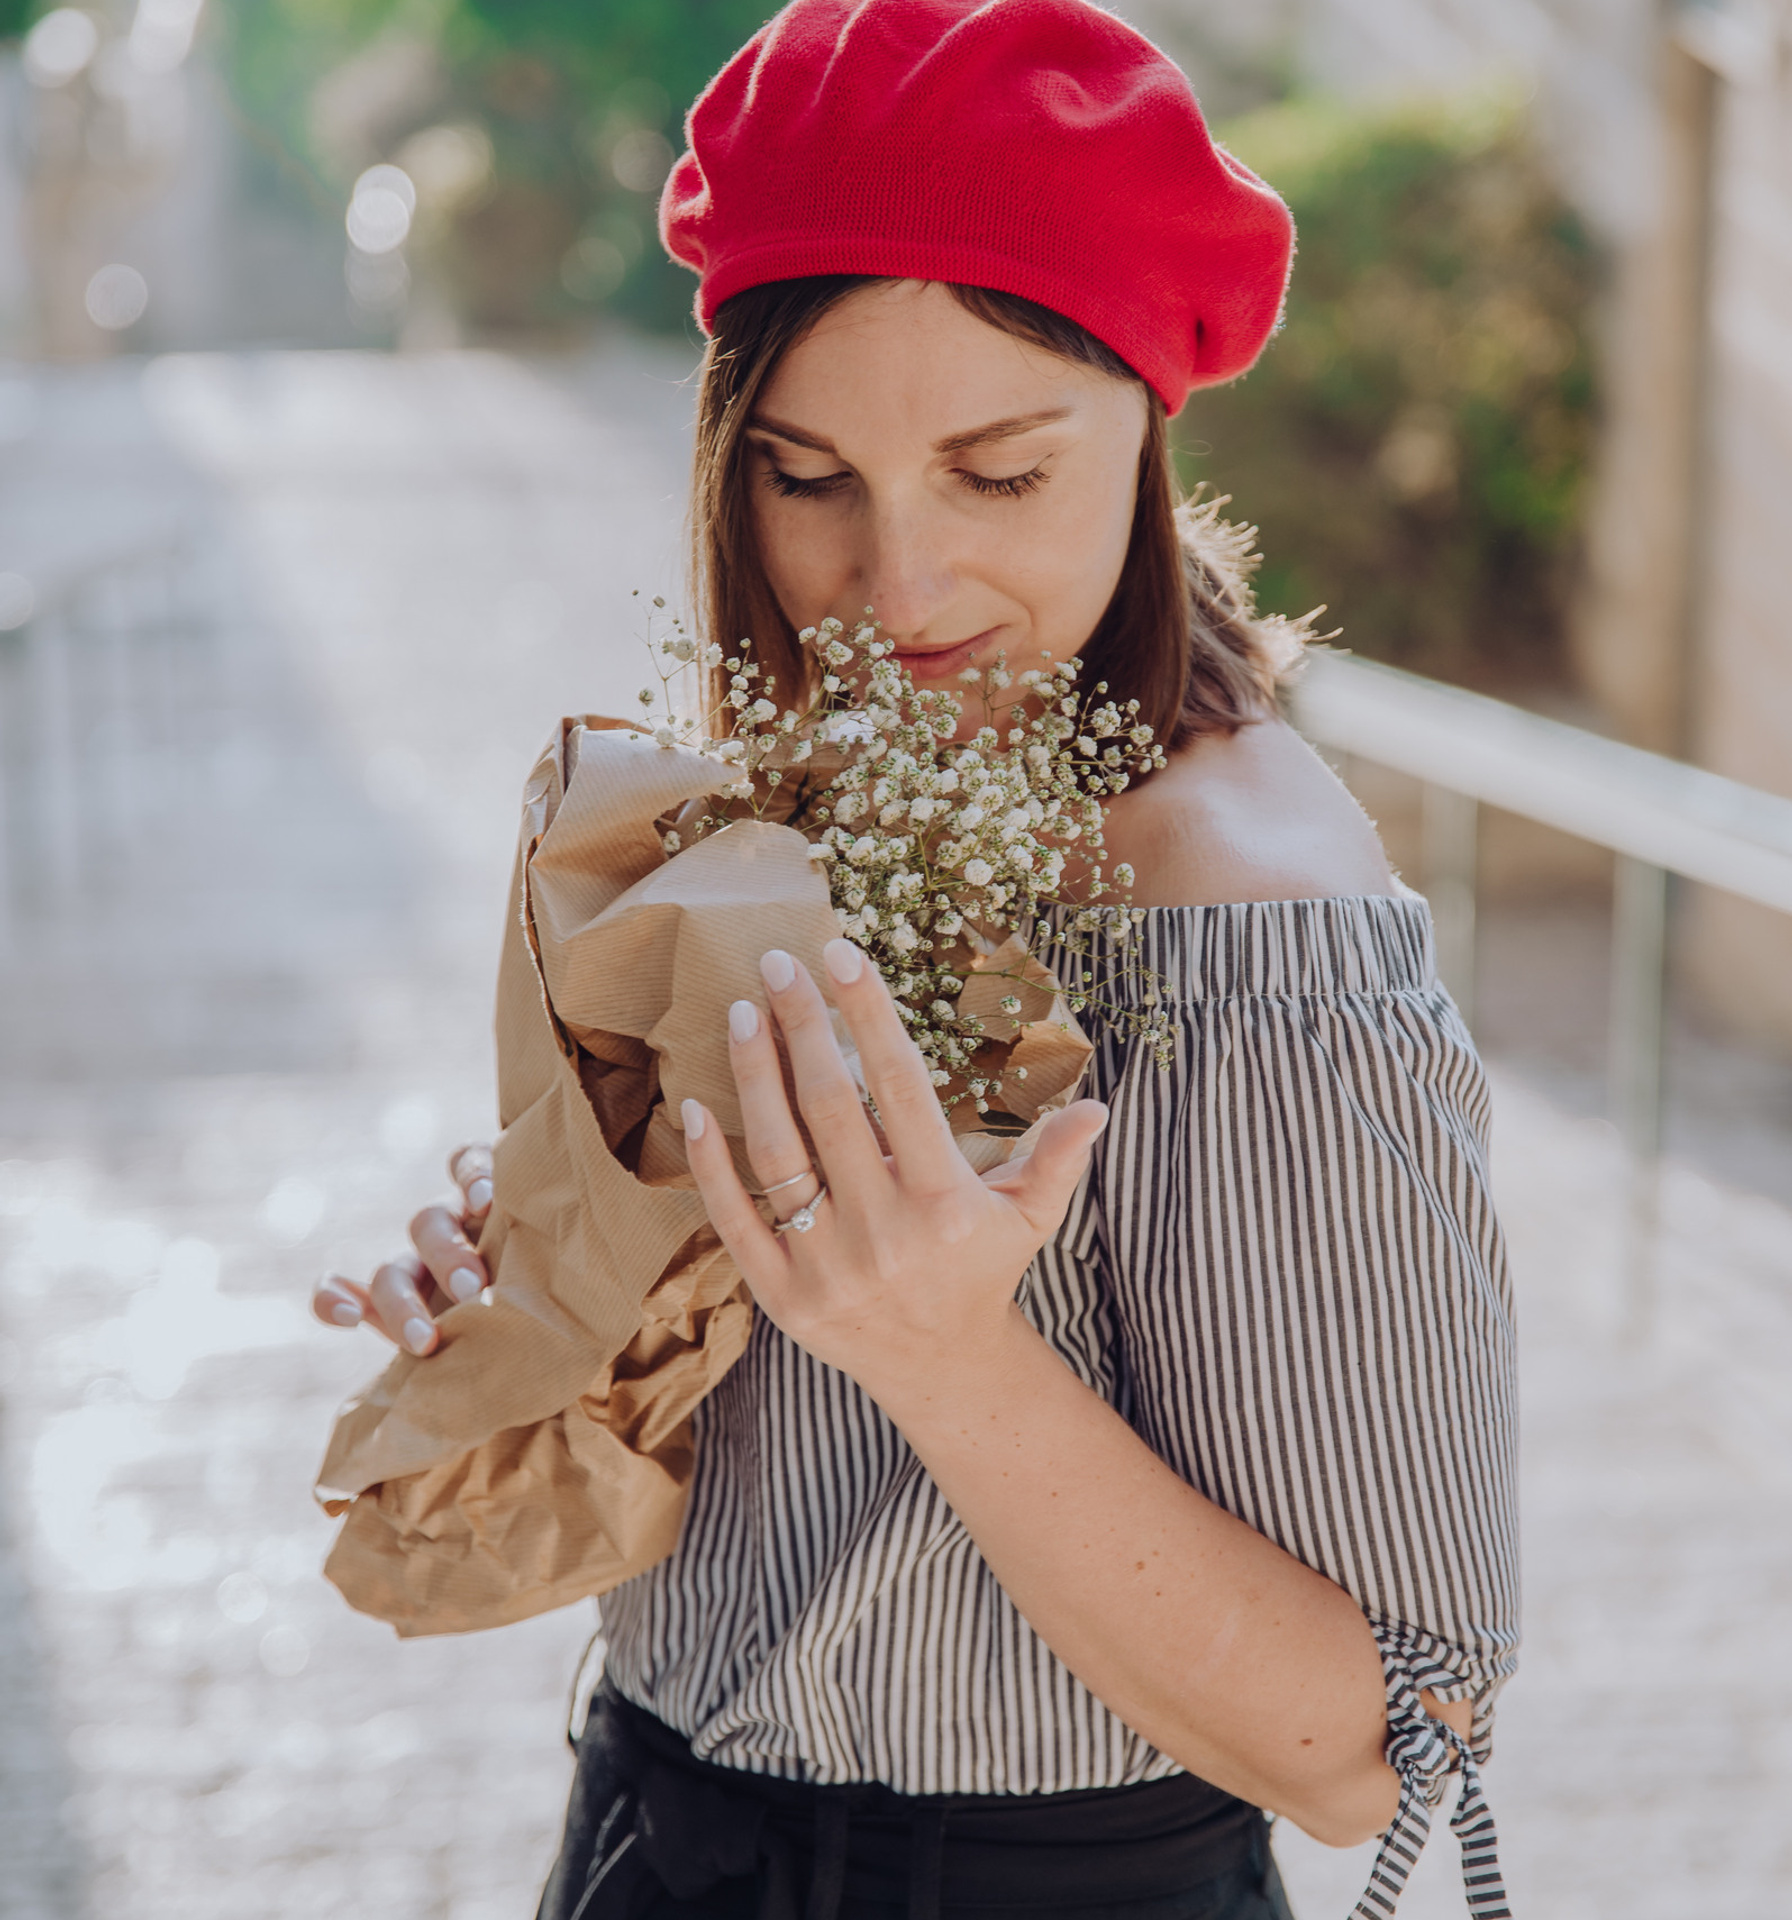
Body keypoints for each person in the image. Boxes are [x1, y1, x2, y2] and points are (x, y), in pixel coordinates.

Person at [313, 3, 1519, 1916]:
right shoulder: (824, 785)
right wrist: (579, 1275)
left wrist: (947, 1355)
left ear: (1144, 416)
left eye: (1000, 472)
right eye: (808, 480)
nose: (896, 590)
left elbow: (1386, 1740)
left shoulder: (1251, 935)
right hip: (648, 1834)